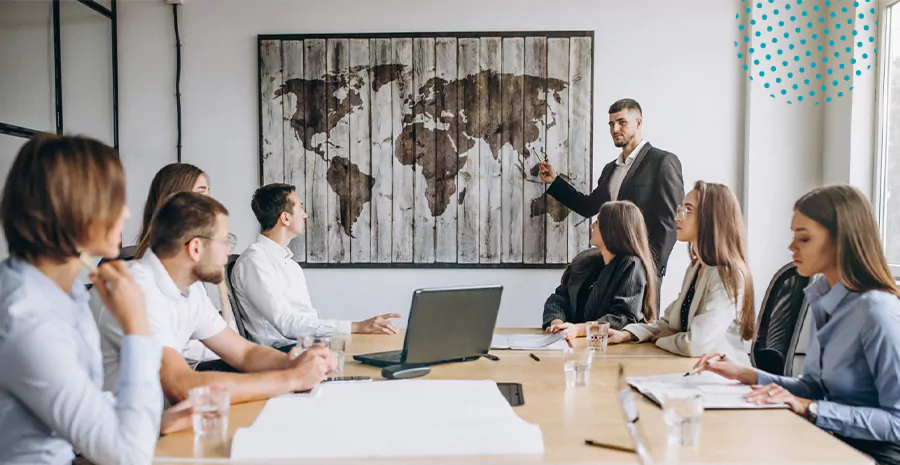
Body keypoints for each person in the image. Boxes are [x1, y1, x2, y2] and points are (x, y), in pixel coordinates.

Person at [0, 135, 191, 465]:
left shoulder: (66, 290)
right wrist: (136, 325)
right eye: (116, 201)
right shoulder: (28, 320)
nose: (128, 214)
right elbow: (128, 456)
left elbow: (84, 413)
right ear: (76, 209)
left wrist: (152, 425)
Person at [695, 185, 900, 465]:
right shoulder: (823, 299)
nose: (792, 247)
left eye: (803, 238)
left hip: (874, 456)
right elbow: (814, 387)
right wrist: (746, 374)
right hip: (828, 439)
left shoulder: (877, 312)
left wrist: (812, 409)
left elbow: (897, 422)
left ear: (842, 242)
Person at [96, 192, 333, 404]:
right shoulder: (139, 290)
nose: (230, 251)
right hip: (121, 436)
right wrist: (291, 379)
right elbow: (182, 386)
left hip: (160, 422)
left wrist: (293, 361)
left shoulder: (191, 290)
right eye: (225, 240)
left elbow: (244, 353)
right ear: (196, 248)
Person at [232, 183, 401, 350]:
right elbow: (287, 324)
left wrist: (357, 329)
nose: (305, 215)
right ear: (285, 218)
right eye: (300, 209)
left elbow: (306, 320)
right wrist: (356, 327)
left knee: (381, 345)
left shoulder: (290, 265)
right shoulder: (254, 262)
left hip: (304, 345)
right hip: (280, 353)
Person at [539, 98, 683, 291]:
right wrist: (555, 181)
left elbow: (670, 221)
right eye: (611, 124)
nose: (615, 129)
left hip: (643, 268)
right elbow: (588, 206)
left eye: (622, 122)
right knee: (608, 320)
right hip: (609, 266)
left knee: (639, 322)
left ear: (638, 123)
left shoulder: (662, 161)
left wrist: (651, 267)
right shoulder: (610, 169)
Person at [606, 181, 755, 363]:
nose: (677, 217)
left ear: (710, 217)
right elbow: (669, 322)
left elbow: (696, 344)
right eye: (680, 208)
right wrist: (628, 334)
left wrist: (663, 339)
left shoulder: (728, 275)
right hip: (690, 368)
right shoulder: (696, 268)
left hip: (719, 378)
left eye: (688, 209)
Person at [133, 163, 234, 367]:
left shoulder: (195, 278)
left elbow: (235, 345)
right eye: (201, 192)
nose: (211, 200)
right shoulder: (152, 272)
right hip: (192, 368)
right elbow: (181, 348)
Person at [542, 200, 657, 339]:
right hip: (572, 344)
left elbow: (623, 318)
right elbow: (558, 298)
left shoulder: (631, 265)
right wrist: (557, 323)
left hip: (608, 350)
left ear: (613, 229)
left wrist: (579, 330)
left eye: (597, 222)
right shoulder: (585, 261)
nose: (591, 226)